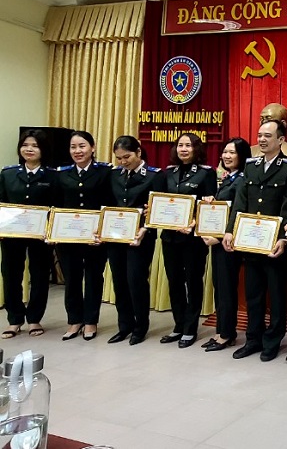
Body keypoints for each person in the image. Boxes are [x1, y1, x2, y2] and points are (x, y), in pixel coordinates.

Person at [223, 121, 287, 361]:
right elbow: (241, 200)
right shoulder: (251, 165)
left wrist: (283, 239)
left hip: (274, 243)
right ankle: (253, 339)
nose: (262, 140)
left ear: (281, 140)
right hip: (250, 240)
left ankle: (272, 341)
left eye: (268, 136)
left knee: (276, 295)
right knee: (253, 294)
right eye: (259, 135)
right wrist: (230, 230)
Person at [159, 133, 217, 349]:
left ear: (196, 149)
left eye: (188, 145)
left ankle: (190, 328)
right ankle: (178, 325)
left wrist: (193, 222)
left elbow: (210, 207)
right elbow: (161, 202)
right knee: (174, 281)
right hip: (170, 237)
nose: (183, 149)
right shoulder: (168, 172)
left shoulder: (206, 173)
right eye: (180, 145)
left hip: (193, 239)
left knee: (192, 282)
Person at [107, 135, 165, 345]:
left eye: (127, 157)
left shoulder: (154, 175)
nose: (123, 162)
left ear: (138, 152)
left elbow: (160, 209)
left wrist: (146, 227)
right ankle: (124, 326)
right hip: (116, 236)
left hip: (141, 237)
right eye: (119, 158)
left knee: (136, 280)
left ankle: (140, 327)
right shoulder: (114, 175)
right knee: (119, 281)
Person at [0, 129, 58, 338]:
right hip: (11, 235)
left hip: (40, 236)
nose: (29, 149)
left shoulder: (53, 176)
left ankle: (34, 318)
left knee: (40, 276)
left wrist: (52, 232)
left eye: (35, 145)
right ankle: (14, 319)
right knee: (10, 275)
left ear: (43, 150)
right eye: (25, 145)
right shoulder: (8, 174)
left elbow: (56, 207)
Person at [56, 130, 113, 341]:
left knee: (93, 278)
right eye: (73, 147)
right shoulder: (61, 174)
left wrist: (104, 231)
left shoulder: (105, 172)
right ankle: (74, 321)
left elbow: (110, 204)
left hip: (94, 237)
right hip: (68, 237)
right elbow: (55, 204)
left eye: (82, 146)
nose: (77, 151)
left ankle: (90, 321)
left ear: (92, 147)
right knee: (71, 279)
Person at [200, 137, 250, 352]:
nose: (227, 156)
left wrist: (220, 238)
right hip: (218, 241)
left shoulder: (242, 180)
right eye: (225, 152)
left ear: (242, 155)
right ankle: (220, 331)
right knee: (219, 287)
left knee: (227, 288)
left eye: (232, 152)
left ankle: (227, 334)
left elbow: (239, 213)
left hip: (229, 243)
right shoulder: (229, 177)